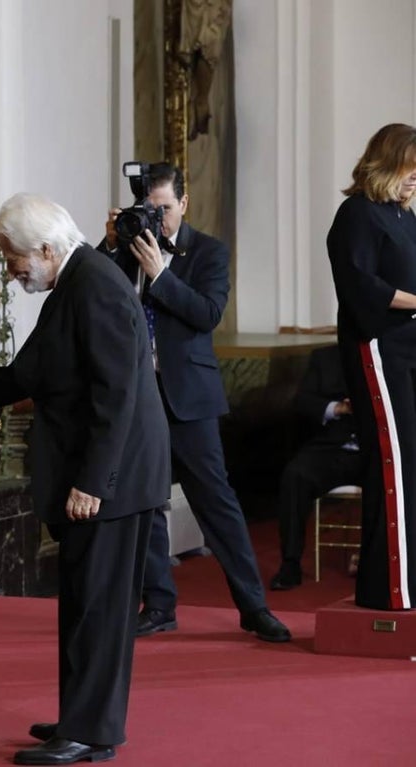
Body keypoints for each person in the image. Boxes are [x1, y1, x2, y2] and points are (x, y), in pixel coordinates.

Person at [0, 193, 169, 765]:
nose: (9, 268)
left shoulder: (93, 285)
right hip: (103, 473)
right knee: (82, 602)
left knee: (98, 608)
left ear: (46, 249)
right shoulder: (74, 282)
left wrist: (94, 482)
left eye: (12, 255)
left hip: (111, 481)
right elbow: (24, 376)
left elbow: (116, 395)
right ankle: (80, 717)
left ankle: (90, 732)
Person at [99, 162, 291, 643]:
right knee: (144, 502)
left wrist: (160, 276)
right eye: (150, 209)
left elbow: (207, 314)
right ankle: (158, 604)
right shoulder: (124, 247)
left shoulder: (208, 251)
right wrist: (108, 245)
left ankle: (253, 607)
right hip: (137, 397)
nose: (157, 219)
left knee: (217, 503)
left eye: (164, 208)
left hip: (189, 397)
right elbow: (95, 299)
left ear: (183, 203)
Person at [326, 122, 416, 611]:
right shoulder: (356, 215)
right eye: (410, 170)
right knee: (394, 467)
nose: (415, 180)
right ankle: (389, 590)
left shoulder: (404, 215)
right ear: (386, 163)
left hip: (410, 348)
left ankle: (411, 580)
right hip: (378, 350)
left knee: (413, 467)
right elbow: (362, 288)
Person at [270, 344, 363, 590]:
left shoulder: (399, 351)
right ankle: (290, 564)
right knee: (295, 475)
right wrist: (339, 408)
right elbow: (304, 401)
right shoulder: (325, 357)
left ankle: (379, 561)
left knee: (400, 481)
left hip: (379, 452)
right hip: (331, 448)